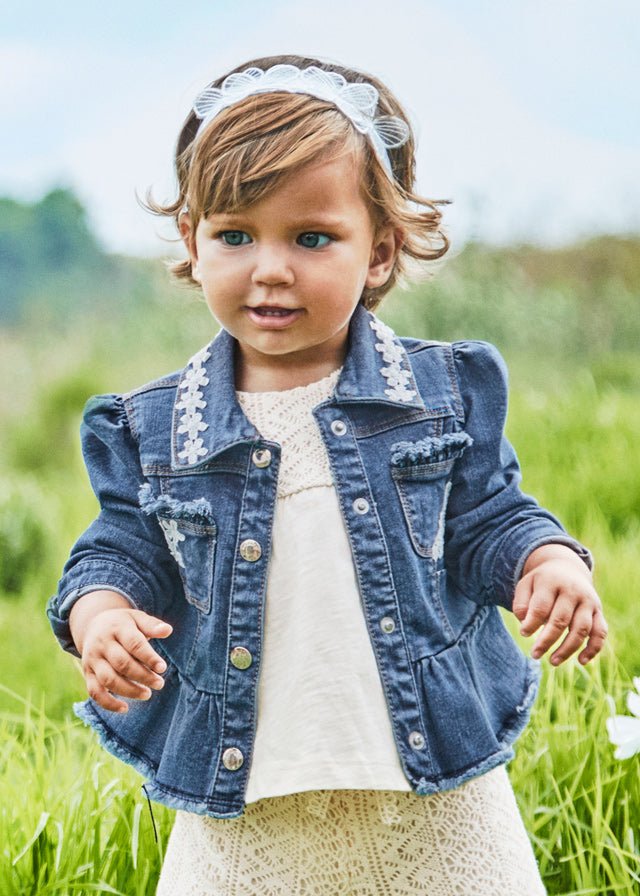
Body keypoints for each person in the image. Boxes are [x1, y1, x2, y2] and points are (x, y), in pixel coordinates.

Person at [47, 54, 608, 895]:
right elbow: (120, 550)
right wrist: (100, 617)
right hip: (246, 804)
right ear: (194, 244)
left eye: (311, 238)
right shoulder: (154, 427)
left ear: (378, 253)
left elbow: (489, 517)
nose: (270, 267)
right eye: (235, 235)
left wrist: (546, 563)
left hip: (435, 796)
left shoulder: (437, 393)